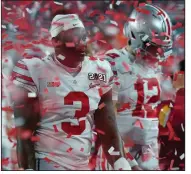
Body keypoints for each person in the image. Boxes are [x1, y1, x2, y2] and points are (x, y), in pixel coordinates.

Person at [11, 10, 133, 170]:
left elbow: (108, 127)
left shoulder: (99, 70)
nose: (81, 43)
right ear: (56, 42)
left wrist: (120, 163)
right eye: (73, 39)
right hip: (47, 163)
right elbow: (24, 135)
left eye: (83, 37)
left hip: (83, 165)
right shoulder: (35, 70)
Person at [95, 4, 174, 170]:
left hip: (150, 154)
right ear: (136, 36)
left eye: (162, 46)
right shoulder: (111, 64)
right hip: (119, 155)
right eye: (154, 45)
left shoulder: (157, 68)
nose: (159, 52)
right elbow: (103, 122)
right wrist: (125, 160)